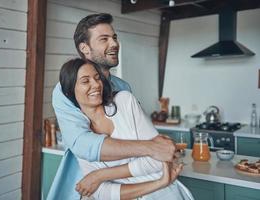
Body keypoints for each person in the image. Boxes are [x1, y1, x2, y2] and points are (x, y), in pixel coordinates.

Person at [47, 13, 176, 200]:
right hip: (87, 185)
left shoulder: (123, 90)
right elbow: (83, 145)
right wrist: (151, 147)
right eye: (104, 39)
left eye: (114, 37)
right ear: (85, 48)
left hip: (134, 183)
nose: (114, 44)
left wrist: (155, 149)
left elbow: (148, 142)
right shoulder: (65, 90)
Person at [59, 58, 194, 200]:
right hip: (159, 185)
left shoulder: (124, 102)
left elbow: (161, 157)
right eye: (85, 81)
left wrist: (100, 175)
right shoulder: (79, 136)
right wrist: (159, 183)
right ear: (70, 92)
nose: (96, 85)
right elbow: (99, 191)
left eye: (97, 78)